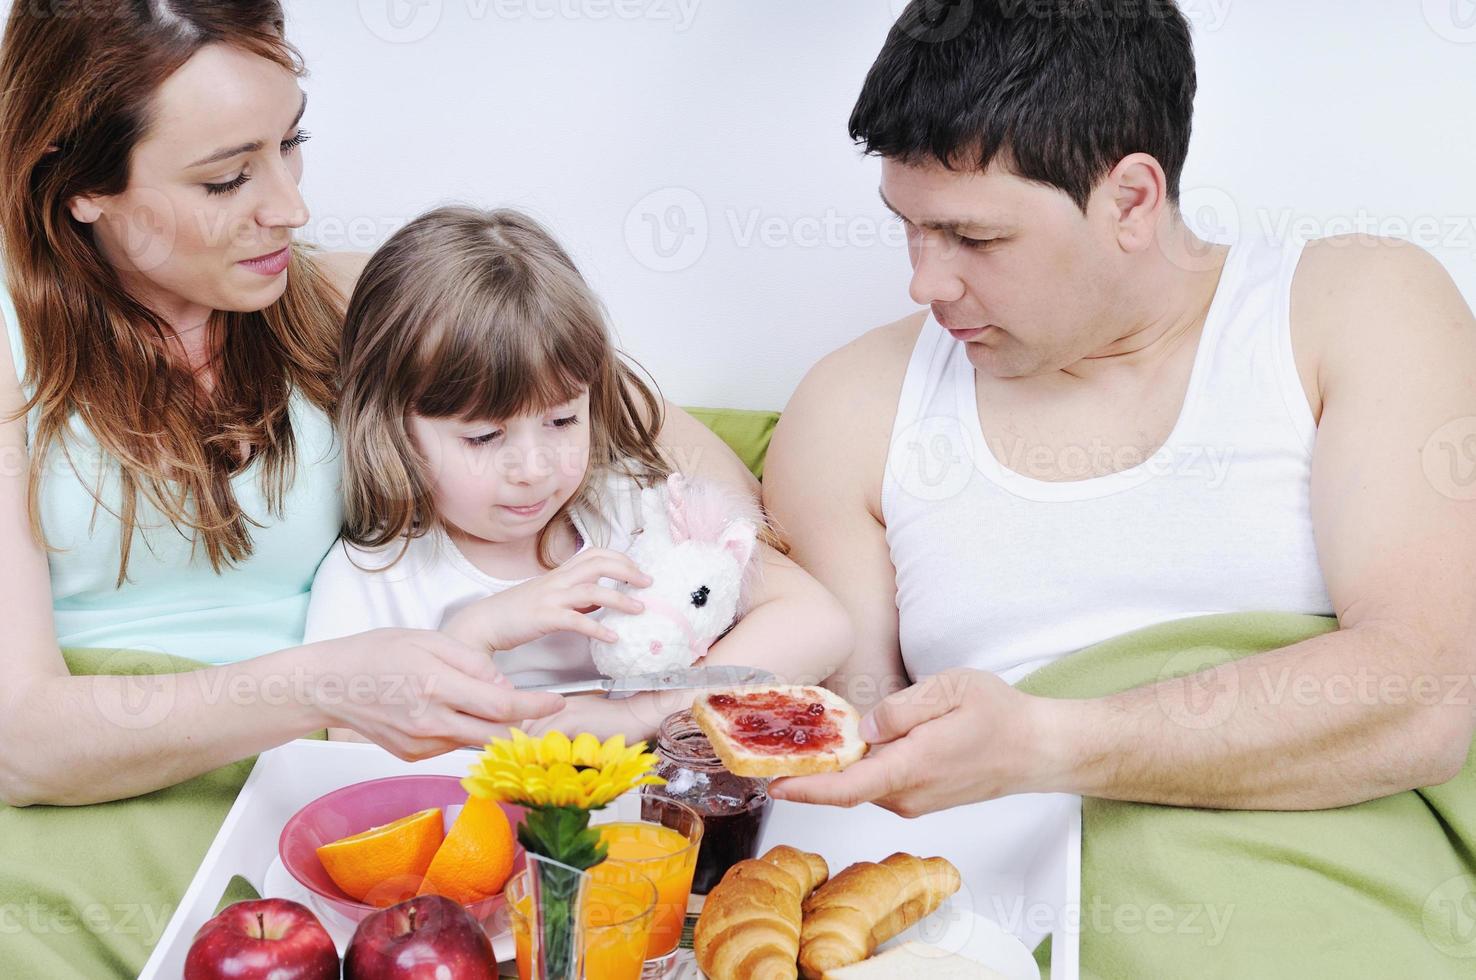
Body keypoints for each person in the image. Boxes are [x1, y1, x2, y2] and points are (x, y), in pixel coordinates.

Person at [0, 1, 764, 809]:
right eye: (226, 178)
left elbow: (663, 442)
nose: (289, 208)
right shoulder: (14, 357)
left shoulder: (333, 298)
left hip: (348, 783)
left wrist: (705, 582)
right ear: (78, 182)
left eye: (291, 143)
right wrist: (324, 684)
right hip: (107, 802)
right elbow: (21, 745)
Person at [765, 0, 1476, 819]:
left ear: (1132, 199)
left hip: (1308, 899)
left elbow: (1423, 700)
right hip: (980, 921)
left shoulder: (1354, 308)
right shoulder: (852, 408)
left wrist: (1046, 745)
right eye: (910, 227)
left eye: (976, 238)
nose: (926, 284)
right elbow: (849, 769)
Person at [303, 205, 851, 741]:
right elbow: (360, 761)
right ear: (392, 426)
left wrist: (640, 718)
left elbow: (818, 622)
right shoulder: (371, 580)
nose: (534, 469)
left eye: (562, 420)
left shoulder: (635, 511)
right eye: (484, 437)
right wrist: (479, 632)